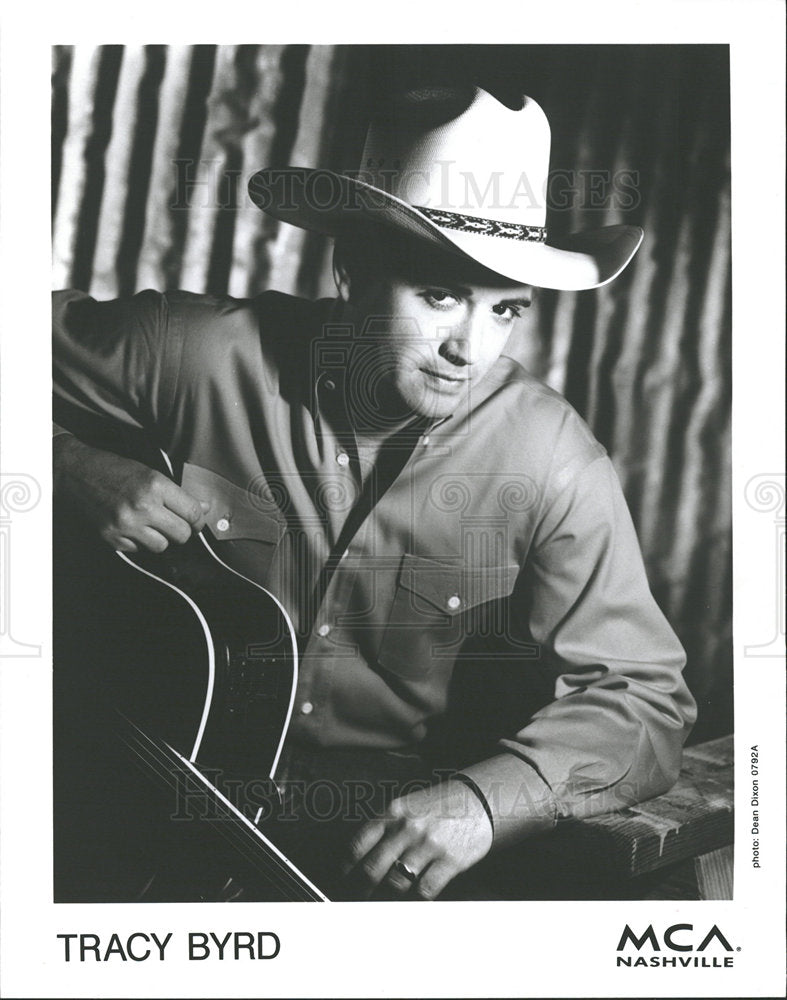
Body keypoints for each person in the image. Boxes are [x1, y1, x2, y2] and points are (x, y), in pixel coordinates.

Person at [52, 86, 696, 901]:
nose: (469, 347)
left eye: (503, 310)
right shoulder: (196, 352)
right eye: (438, 295)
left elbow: (643, 694)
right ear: (350, 270)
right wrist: (65, 466)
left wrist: (486, 800)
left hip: (362, 826)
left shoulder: (552, 457)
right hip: (125, 771)